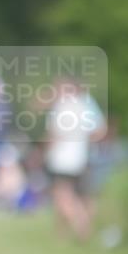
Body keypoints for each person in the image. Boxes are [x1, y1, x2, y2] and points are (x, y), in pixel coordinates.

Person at [44, 77, 106, 241]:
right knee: (76, 196)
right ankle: (74, 229)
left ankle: (81, 225)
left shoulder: (61, 106)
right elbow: (98, 129)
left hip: (61, 158)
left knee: (62, 197)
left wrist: (45, 152)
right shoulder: (84, 106)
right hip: (80, 158)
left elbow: (53, 134)